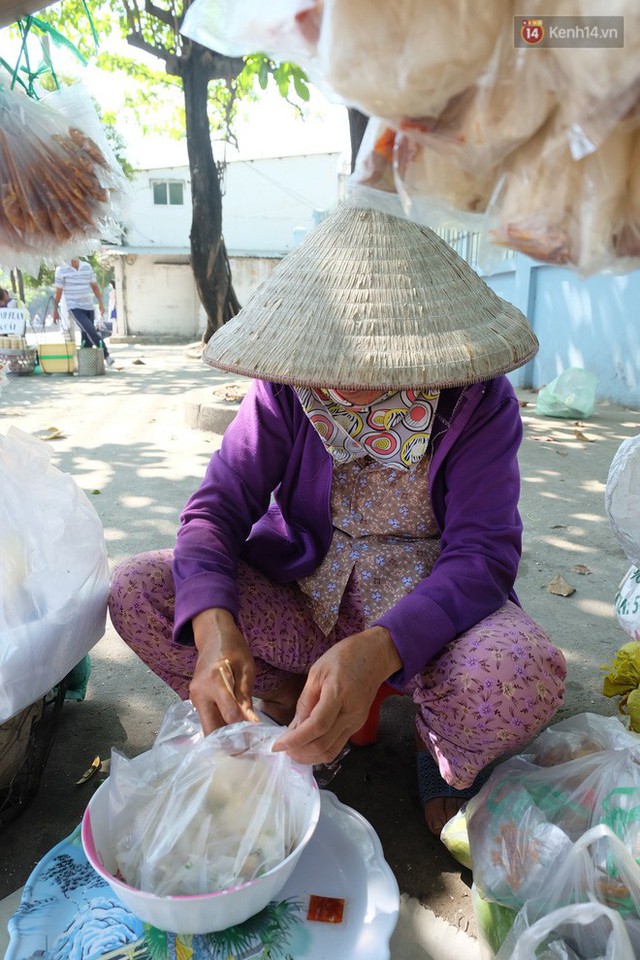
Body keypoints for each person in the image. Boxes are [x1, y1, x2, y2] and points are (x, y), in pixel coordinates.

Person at [109, 203, 567, 837]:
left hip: (429, 624)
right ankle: (300, 698)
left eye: (375, 362)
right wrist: (215, 629)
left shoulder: (479, 402)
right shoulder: (286, 389)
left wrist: (380, 650)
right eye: (335, 361)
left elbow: (483, 558)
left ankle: (435, 742)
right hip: (306, 602)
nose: (348, 383)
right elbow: (214, 510)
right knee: (138, 589)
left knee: (520, 674)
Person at [52, 258, 114, 366]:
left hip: (88, 306)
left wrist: (100, 303)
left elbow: (94, 287)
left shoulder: (86, 267)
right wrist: (55, 310)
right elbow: (59, 292)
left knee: (87, 338)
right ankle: (106, 355)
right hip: (74, 307)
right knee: (90, 329)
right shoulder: (61, 270)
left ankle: (85, 365)